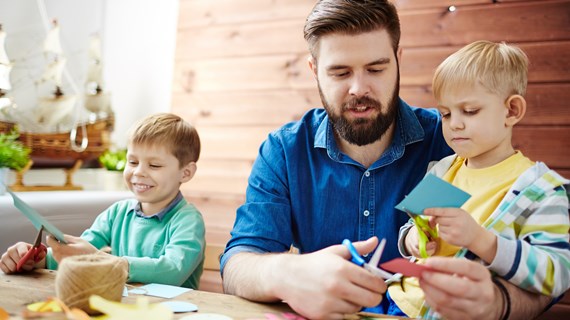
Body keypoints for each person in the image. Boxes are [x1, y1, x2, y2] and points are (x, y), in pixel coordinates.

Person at [221, 1, 555, 319]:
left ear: (398, 59)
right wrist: (287, 273)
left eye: (376, 68)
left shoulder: (457, 139)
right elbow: (238, 265)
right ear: (314, 70)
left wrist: (497, 304)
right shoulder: (284, 150)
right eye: (339, 72)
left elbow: (549, 267)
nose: (358, 88)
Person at [376, 40, 570, 318]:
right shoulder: (443, 169)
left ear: (511, 111)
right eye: (445, 113)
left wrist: (483, 242)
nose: (454, 123)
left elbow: (558, 272)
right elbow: (412, 225)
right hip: (394, 296)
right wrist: (413, 241)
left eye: (469, 111)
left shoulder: (540, 190)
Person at [0, 113, 206, 289]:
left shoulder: (188, 220)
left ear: (185, 173)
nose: (138, 172)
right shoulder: (117, 212)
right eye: (132, 161)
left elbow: (172, 271)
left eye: (154, 165)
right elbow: (79, 253)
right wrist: (37, 259)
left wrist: (103, 261)